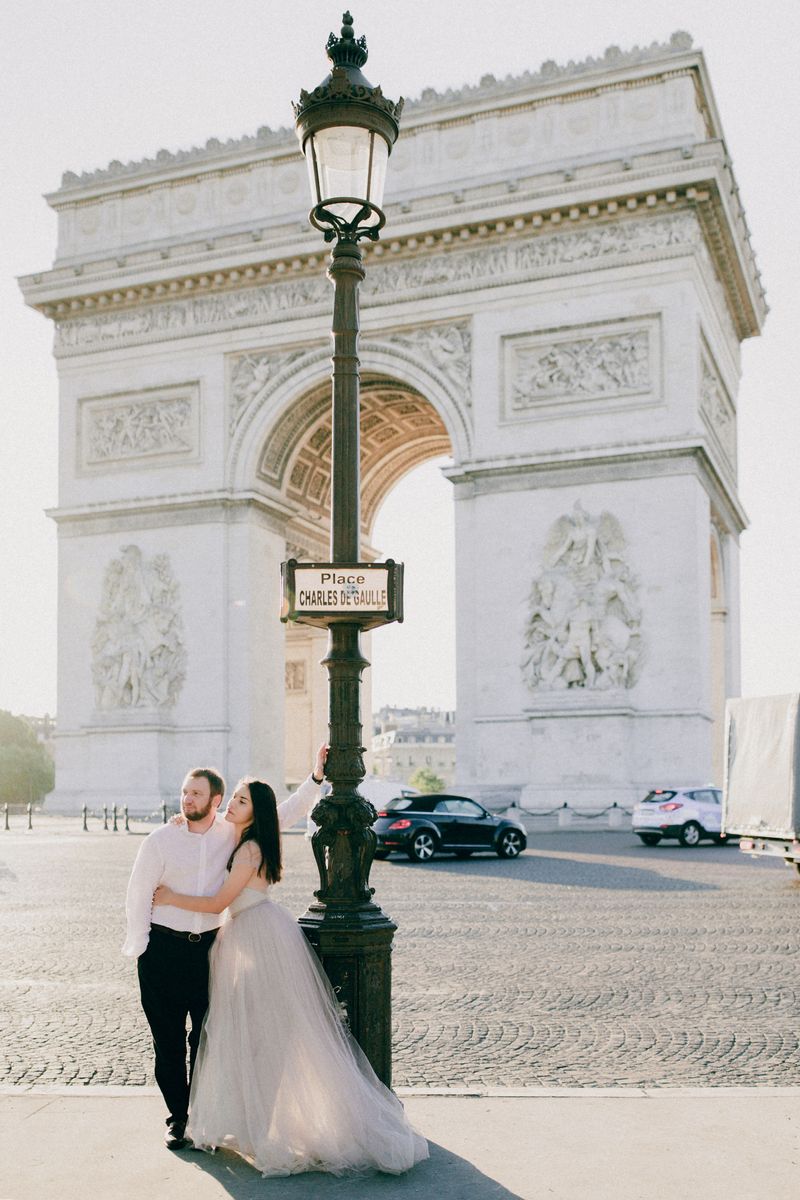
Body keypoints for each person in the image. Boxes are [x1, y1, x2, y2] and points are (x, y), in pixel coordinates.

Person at [151, 764, 429, 1177]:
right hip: (250, 934)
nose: (231, 804)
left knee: (260, 1040)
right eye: (232, 798)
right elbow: (285, 810)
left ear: (254, 812)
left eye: (240, 801)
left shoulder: (249, 849)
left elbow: (215, 903)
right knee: (252, 1037)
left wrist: (171, 897)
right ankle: (253, 1123)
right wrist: (184, 822)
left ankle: (262, 1127)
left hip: (255, 939)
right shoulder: (245, 837)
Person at [122, 750, 327, 1150]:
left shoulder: (230, 835)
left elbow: (281, 812)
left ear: (215, 800)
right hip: (161, 951)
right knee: (166, 1044)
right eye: (184, 793)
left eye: (196, 793)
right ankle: (177, 1119)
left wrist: (316, 779)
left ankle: (202, 1114)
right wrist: (142, 948)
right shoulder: (161, 839)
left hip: (207, 952)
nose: (187, 800)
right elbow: (137, 894)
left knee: (207, 1040)